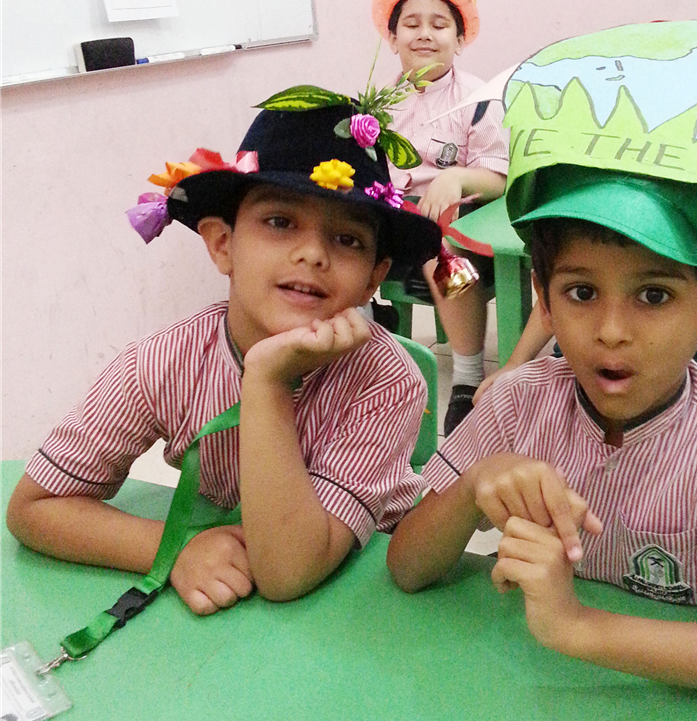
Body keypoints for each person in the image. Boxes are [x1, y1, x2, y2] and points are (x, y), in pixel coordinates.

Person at [387, 22, 697, 702]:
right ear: (543, 298)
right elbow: (406, 567)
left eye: (654, 295)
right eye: (581, 292)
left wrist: (577, 626)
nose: (610, 331)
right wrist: (474, 483)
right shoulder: (518, 402)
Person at [6, 95, 442, 616]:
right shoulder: (162, 362)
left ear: (374, 277)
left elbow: (288, 571)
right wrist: (176, 549)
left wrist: (267, 381)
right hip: (233, 578)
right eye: (280, 222)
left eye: (347, 239)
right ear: (221, 245)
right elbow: (35, 507)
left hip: (359, 593)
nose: (313, 254)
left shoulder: (388, 380)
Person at [373, 0, 509, 433]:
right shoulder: (379, 102)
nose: (425, 34)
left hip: (456, 222)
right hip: (391, 217)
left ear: (459, 39)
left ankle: (467, 378)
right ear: (393, 38)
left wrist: (457, 179)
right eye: (411, 24)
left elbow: (500, 177)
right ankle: (359, 345)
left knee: (443, 249)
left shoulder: (479, 98)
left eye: (439, 24)